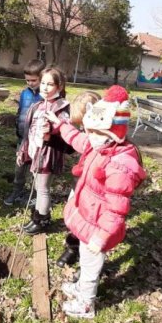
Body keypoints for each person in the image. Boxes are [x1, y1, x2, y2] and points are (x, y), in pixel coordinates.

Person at [45, 85, 146, 318]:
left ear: (114, 133)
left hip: (99, 226)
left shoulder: (119, 165)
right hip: (89, 217)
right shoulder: (98, 144)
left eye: (96, 133)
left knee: (91, 265)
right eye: (89, 131)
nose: (90, 137)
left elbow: (116, 210)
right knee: (85, 257)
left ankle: (86, 304)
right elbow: (78, 139)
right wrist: (60, 124)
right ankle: (81, 288)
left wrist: (102, 237)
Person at [17, 66, 71, 235]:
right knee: (37, 184)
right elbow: (29, 130)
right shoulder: (39, 105)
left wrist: (52, 132)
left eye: (50, 84)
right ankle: (38, 214)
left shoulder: (61, 107)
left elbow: (65, 131)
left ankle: (42, 219)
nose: (45, 88)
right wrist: (23, 151)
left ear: (59, 87)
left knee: (43, 188)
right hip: (36, 151)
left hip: (48, 153)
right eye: (43, 84)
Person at [56, 90, 101, 268]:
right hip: (81, 185)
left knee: (90, 225)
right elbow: (74, 139)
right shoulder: (88, 136)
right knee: (75, 216)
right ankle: (73, 247)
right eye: (81, 126)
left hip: (96, 194)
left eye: (84, 125)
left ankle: (88, 263)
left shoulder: (105, 140)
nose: (83, 130)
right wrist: (59, 125)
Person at [4, 59, 45, 206]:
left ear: (42, 78)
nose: (30, 83)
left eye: (33, 80)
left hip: (38, 142)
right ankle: (17, 190)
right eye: (27, 80)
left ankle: (35, 195)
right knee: (19, 167)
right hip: (22, 139)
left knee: (36, 170)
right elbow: (20, 111)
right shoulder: (24, 94)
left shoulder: (46, 96)